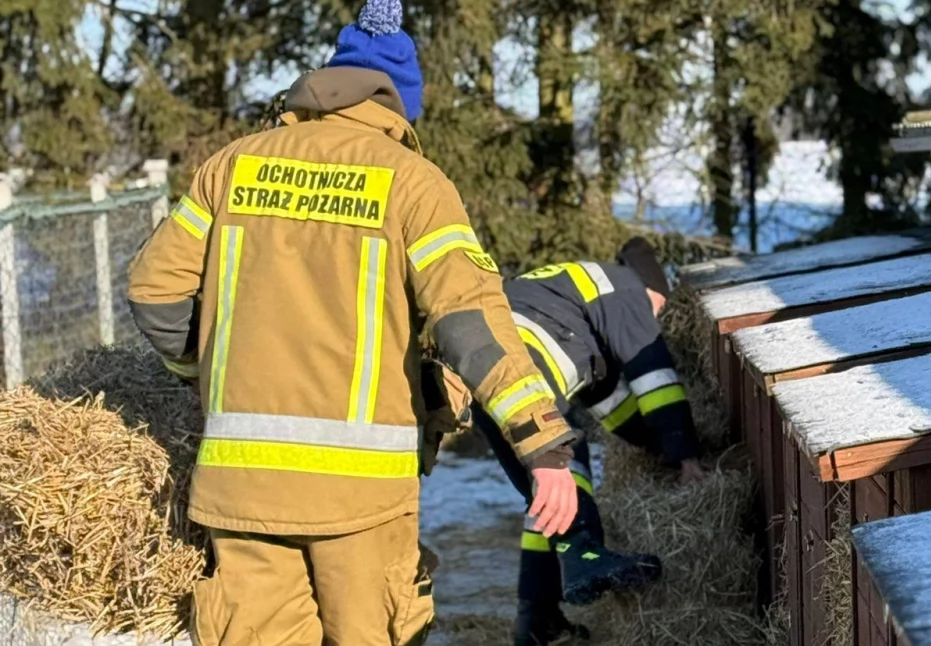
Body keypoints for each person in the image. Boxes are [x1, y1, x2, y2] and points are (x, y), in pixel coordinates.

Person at [125, 1, 581, 643]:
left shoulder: (232, 166)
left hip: (241, 487)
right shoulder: (413, 184)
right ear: (399, 107)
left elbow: (153, 291)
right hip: (360, 499)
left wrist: (203, 373)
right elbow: (469, 318)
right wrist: (542, 443)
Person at [470, 236, 707, 645]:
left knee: (544, 491)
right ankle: (587, 557)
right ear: (655, 291)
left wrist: (657, 449)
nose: (655, 325)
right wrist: (687, 458)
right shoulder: (629, 290)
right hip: (525, 365)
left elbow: (613, 408)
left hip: (479, 369)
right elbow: (654, 378)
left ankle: (536, 618)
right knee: (564, 453)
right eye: (659, 313)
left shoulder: (577, 300)